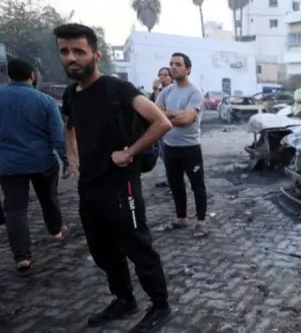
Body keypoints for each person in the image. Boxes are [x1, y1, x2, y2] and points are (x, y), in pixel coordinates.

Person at [54, 23, 173, 332]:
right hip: (89, 187)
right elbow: (70, 127)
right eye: (65, 52)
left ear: (96, 54)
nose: (71, 58)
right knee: (103, 251)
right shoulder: (71, 93)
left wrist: (129, 151)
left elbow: (161, 123)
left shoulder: (117, 89)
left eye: (78, 51)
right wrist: (73, 157)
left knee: (138, 247)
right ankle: (124, 299)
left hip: (122, 185)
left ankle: (160, 306)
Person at [0, 58, 71, 272]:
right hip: (42, 162)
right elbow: (57, 135)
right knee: (49, 198)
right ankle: (56, 230)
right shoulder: (44, 100)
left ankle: (22, 257)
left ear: (9, 75)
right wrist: (66, 160)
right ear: (32, 75)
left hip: (7, 165)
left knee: (14, 209)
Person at [155, 53, 208, 238]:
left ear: (188, 68)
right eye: (171, 64)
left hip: (190, 148)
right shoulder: (167, 91)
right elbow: (155, 114)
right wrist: (174, 115)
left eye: (178, 64)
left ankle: (201, 221)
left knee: (197, 185)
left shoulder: (195, 92)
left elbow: (187, 119)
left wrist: (166, 116)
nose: (173, 67)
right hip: (170, 147)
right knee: (175, 184)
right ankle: (181, 218)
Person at [153, 67, 173, 189]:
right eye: (160, 75)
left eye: (165, 75)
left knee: (170, 157)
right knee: (164, 156)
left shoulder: (173, 91)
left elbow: (159, 110)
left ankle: (175, 182)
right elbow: (154, 109)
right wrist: (156, 90)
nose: (162, 77)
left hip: (172, 129)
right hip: (161, 130)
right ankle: (170, 179)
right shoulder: (160, 91)